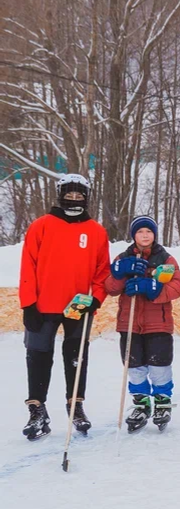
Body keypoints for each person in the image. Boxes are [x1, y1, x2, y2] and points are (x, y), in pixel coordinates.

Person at [19, 174, 110, 440]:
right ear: (60, 195)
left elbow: (102, 270)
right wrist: (28, 304)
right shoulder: (41, 226)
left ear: (86, 197)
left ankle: (76, 405)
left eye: (79, 195)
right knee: (38, 356)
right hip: (42, 305)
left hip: (78, 308)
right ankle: (37, 409)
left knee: (76, 357)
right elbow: (28, 266)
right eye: (69, 195)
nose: (74, 199)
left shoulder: (96, 231)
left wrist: (97, 298)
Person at [104, 216, 180, 431]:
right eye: (140, 232)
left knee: (159, 366)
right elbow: (111, 287)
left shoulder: (165, 258)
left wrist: (153, 288)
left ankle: (162, 402)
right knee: (134, 366)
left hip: (158, 323)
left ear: (154, 234)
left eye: (148, 232)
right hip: (129, 323)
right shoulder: (123, 257)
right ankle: (141, 403)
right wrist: (121, 272)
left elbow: (178, 286)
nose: (145, 235)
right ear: (134, 235)